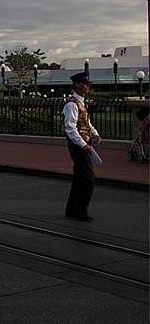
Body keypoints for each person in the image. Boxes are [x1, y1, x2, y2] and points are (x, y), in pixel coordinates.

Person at [63, 72, 101, 221]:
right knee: (87, 178)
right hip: (79, 145)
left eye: (88, 84)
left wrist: (94, 133)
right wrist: (83, 144)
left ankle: (72, 209)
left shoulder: (81, 103)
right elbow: (70, 128)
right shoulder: (72, 104)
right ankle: (80, 210)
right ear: (76, 85)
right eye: (85, 84)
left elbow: (86, 122)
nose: (88, 86)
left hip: (84, 143)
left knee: (80, 177)